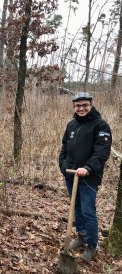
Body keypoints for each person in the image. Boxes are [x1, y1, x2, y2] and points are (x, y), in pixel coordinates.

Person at [59, 91, 112, 261]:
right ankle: (81, 236)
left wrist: (88, 167)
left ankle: (91, 244)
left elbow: (102, 152)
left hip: (88, 178)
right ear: (74, 106)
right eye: (78, 106)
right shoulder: (72, 125)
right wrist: (63, 165)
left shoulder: (101, 125)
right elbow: (64, 148)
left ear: (91, 105)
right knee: (77, 209)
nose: (81, 108)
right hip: (70, 175)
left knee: (89, 211)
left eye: (85, 105)